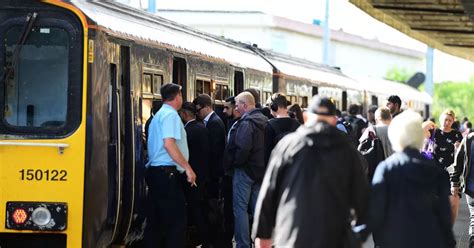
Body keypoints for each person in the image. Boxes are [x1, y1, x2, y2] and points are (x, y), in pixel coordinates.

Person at [252, 96, 369, 248]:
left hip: (293, 236)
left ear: (306, 117)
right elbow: (363, 200)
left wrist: (263, 235)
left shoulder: (287, 145)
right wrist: (358, 237)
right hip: (335, 238)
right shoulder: (349, 151)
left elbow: (268, 193)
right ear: (334, 120)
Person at [369, 110, 456, 248]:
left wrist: (359, 235)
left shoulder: (385, 168)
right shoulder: (436, 171)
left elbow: (376, 210)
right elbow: (444, 214)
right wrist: (449, 242)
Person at [144, 83, 196, 248]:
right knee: (176, 223)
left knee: (157, 223)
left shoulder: (158, 116)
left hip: (156, 173)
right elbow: (169, 144)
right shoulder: (171, 116)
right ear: (178, 96)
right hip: (167, 174)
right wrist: (188, 168)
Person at [229, 91, 268, 248]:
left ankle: (243, 244)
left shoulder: (246, 123)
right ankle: (261, 242)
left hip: (245, 171)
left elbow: (243, 149)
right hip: (260, 171)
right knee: (257, 210)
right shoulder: (265, 121)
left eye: (237, 104)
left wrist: (236, 163)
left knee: (240, 210)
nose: (236, 108)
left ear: (245, 105)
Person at [192, 94, 226, 246]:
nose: (197, 115)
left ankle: (214, 241)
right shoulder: (212, 122)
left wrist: (208, 177)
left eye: (198, 111)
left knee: (212, 211)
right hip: (212, 175)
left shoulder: (214, 124)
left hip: (213, 176)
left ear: (206, 107)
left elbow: (214, 152)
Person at [178, 102, 211, 247]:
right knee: (197, 207)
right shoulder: (202, 128)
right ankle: (203, 238)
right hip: (202, 174)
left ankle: (199, 237)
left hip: (191, 175)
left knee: (193, 207)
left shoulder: (187, 132)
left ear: (184, 114)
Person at [358, 107, 393, 182]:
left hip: (376, 174)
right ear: (390, 117)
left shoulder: (371, 130)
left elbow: (361, 151)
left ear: (376, 119)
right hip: (394, 173)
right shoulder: (397, 130)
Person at [451, 131, 474, 247]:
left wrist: (455, 182)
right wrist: (455, 182)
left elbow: (458, 161)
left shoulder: (469, 139)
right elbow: (459, 160)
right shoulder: (469, 139)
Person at [264, 93, 300, 165]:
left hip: (277, 166)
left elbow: (267, 153)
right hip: (293, 166)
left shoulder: (270, 125)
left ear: (274, 107)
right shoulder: (297, 124)